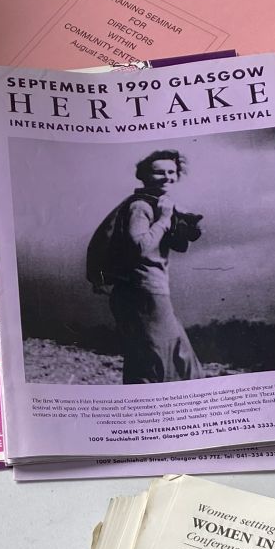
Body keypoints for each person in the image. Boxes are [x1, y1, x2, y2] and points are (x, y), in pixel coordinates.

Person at [84, 149, 205, 384]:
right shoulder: (141, 207)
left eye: (172, 172)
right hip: (143, 290)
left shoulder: (158, 203)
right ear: (144, 176)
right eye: (159, 173)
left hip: (150, 289)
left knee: (165, 355)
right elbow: (139, 245)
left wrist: (181, 224)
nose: (167, 177)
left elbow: (178, 246)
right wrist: (163, 219)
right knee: (157, 359)